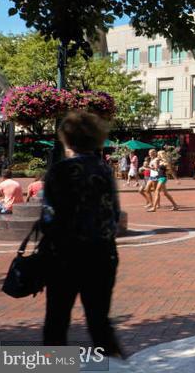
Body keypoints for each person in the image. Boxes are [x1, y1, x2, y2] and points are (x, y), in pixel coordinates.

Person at [40, 111, 122, 356]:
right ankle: (112, 365)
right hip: (102, 253)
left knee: (57, 321)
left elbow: (48, 217)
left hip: (65, 255)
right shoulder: (104, 170)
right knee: (99, 321)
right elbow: (114, 214)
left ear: (67, 138)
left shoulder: (60, 170)